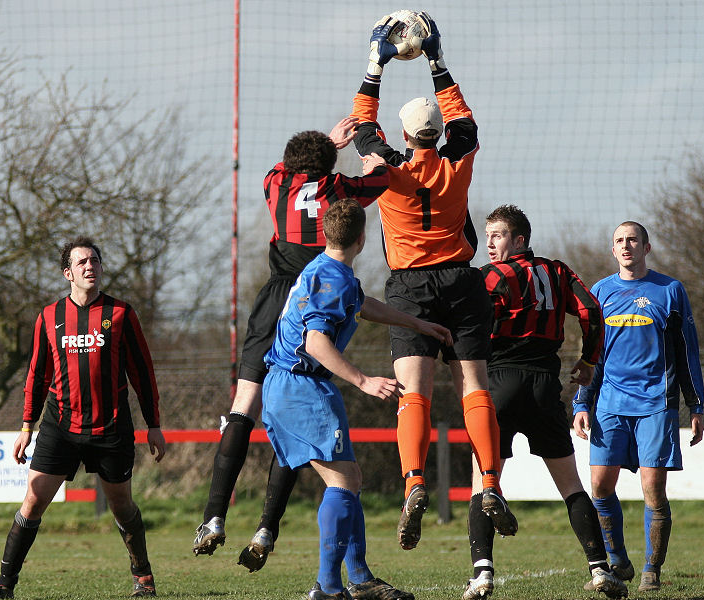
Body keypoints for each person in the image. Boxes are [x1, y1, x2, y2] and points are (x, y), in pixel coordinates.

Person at [350, 13, 516, 551]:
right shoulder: (458, 162)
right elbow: (463, 120)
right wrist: (437, 61)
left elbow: (360, 125)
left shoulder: (387, 169)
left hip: (409, 287)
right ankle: (489, 481)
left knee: (414, 393)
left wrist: (376, 64)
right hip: (462, 281)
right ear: (439, 133)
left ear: (402, 135)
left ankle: (414, 482)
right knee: (475, 386)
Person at [192, 118, 390, 571]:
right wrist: (369, 155)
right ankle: (266, 527)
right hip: (309, 293)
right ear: (328, 164)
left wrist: (326, 144)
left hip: (271, 297)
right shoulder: (338, 189)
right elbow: (379, 180)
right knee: (292, 425)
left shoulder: (273, 182)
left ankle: (214, 518)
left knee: (244, 407)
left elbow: (289, 165)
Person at [261, 198, 452, 600]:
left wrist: (417, 323)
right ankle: (329, 588)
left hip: (287, 384)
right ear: (364, 238)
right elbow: (315, 341)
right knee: (344, 480)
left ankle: (360, 577)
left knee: (350, 479)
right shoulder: (333, 279)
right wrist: (363, 380)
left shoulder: (324, 269)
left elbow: (362, 305)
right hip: (301, 386)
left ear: (327, 233)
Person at [461, 205, 627, 599]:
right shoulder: (558, 271)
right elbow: (591, 311)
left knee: (483, 480)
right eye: (488, 236)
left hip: (498, 382)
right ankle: (600, 569)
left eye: (498, 236)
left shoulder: (491, 277)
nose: (489, 243)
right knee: (571, 484)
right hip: (544, 385)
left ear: (520, 239)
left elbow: (471, 325)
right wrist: (588, 361)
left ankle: (482, 573)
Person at [0, 237, 166, 599]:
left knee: (121, 504)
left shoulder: (121, 314)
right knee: (34, 500)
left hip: (111, 426)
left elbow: (142, 373)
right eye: (82, 262)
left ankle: (143, 577)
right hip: (60, 427)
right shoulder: (49, 316)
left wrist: (154, 425)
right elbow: (37, 375)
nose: (91, 267)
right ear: (67, 273)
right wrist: (27, 425)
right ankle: (5, 585)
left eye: (96, 261)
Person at [572, 221, 704, 593]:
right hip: (609, 404)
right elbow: (591, 353)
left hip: (656, 405)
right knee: (599, 486)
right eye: (619, 241)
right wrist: (582, 402)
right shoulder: (599, 292)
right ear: (613, 250)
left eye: (633, 239)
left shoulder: (670, 291)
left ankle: (652, 570)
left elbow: (687, 351)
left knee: (653, 490)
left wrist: (695, 405)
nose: (626, 245)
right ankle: (618, 562)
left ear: (647, 247)